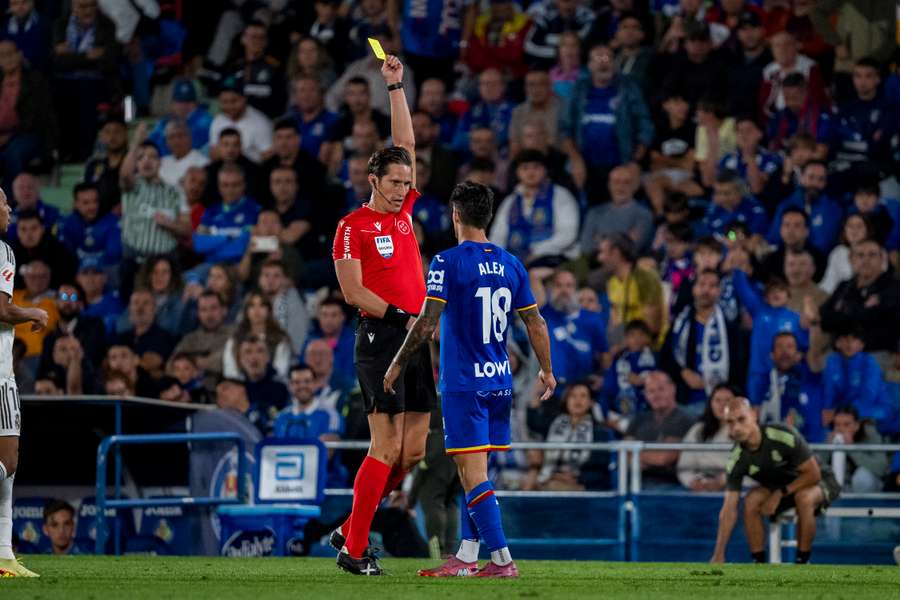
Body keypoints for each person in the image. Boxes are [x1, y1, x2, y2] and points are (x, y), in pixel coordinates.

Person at [384, 180, 555, 578]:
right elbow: (535, 321)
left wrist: (396, 363)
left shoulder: (448, 261)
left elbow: (427, 322)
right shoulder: (512, 263)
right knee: (474, 473)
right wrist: (546, 370)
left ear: (455, 215)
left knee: (473, 475)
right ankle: (465, 555)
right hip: (500, 382)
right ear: (489, 216)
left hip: (464, 383)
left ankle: (502, 561)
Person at [710, 396, 841, 564]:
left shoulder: (782, 435)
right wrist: (719, 553)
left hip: (818, 481)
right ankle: (759, 563)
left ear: (754, 415)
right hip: (781, 488)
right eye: (730, 422)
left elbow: (813, 474)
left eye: (741, 419)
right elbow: (728, 508)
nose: (736, 427)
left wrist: (779, 493)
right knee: (751, 501)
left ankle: (803, 562)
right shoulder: (736, 459)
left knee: (805, 498)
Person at [0, 186, 48, 577]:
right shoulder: (2, 252)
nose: (9, 208)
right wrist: (34, 311)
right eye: (2, 202)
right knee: (8, 461)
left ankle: (3, 556)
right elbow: (1, 310)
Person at [489, 150, 579, 266]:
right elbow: (498, 236)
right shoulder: (510, 202)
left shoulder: (560, 195)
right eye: (525, 168)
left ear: (545, 170)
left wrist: (536, 252)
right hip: (515, 260)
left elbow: (568, 234)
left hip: (554, 258)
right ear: (517, 172)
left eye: (536, 167)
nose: (530, 172)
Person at [625, 371, 694, 487]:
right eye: (651, 391)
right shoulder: (639, 419)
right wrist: (643, 456)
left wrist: (635, 454)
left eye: (661, 389)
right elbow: (624, 452)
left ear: (673, 389)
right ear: (645, 395)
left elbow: (664, 458)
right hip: (638, 483)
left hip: (672, 485)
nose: (656, 395)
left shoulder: (687, 419)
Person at [677, 384, 740, 492]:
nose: (722, 405)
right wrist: (693, 481)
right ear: (710, 404)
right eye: (717, 400)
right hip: (701, 486)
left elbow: (751, 470)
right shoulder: (698, 430)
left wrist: (722, 482)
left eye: (728, 400)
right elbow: (684, 465)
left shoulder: (749, 431)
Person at [829, 405, 889, 493]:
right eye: (837, 425)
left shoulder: (870, 434)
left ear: (857, 425)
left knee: (862, 477)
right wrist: (828, 448)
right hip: (844, 487)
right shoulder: (831, 436)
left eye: (846, 425)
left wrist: (851, 448)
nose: (841, 429)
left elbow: (881, 468)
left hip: (869, 486)